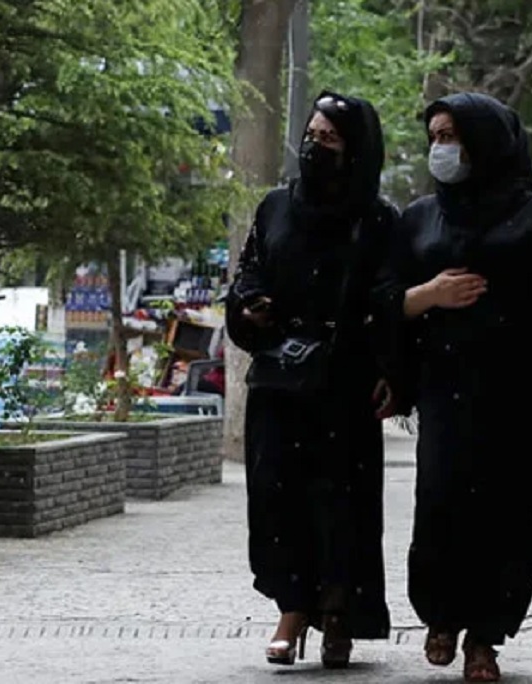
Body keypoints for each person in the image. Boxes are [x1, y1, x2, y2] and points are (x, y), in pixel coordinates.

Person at [379, 92, 532, 682]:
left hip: (517, 397)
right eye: (434, 137)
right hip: (444, 391)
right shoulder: (420, 217)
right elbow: (387, 302)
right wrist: (424, 311)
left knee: (510, 517)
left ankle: (485, 639)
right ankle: (441, 617)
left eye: (450, 135)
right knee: (441, 504)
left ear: (483, 140)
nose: (439, 148)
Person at [225, 90, 396, 670]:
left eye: (330, 139)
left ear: (355, 150)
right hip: (279, 380)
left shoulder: (378, 219)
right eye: (312, 135)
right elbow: (249, 271)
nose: (315, 147)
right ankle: (291, 609)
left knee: (340, 503)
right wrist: (250, 306)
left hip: (344, 386)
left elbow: (390, 300)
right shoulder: (276, 207)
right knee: (277, 496)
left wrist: (390, 371)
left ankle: (338, 609)